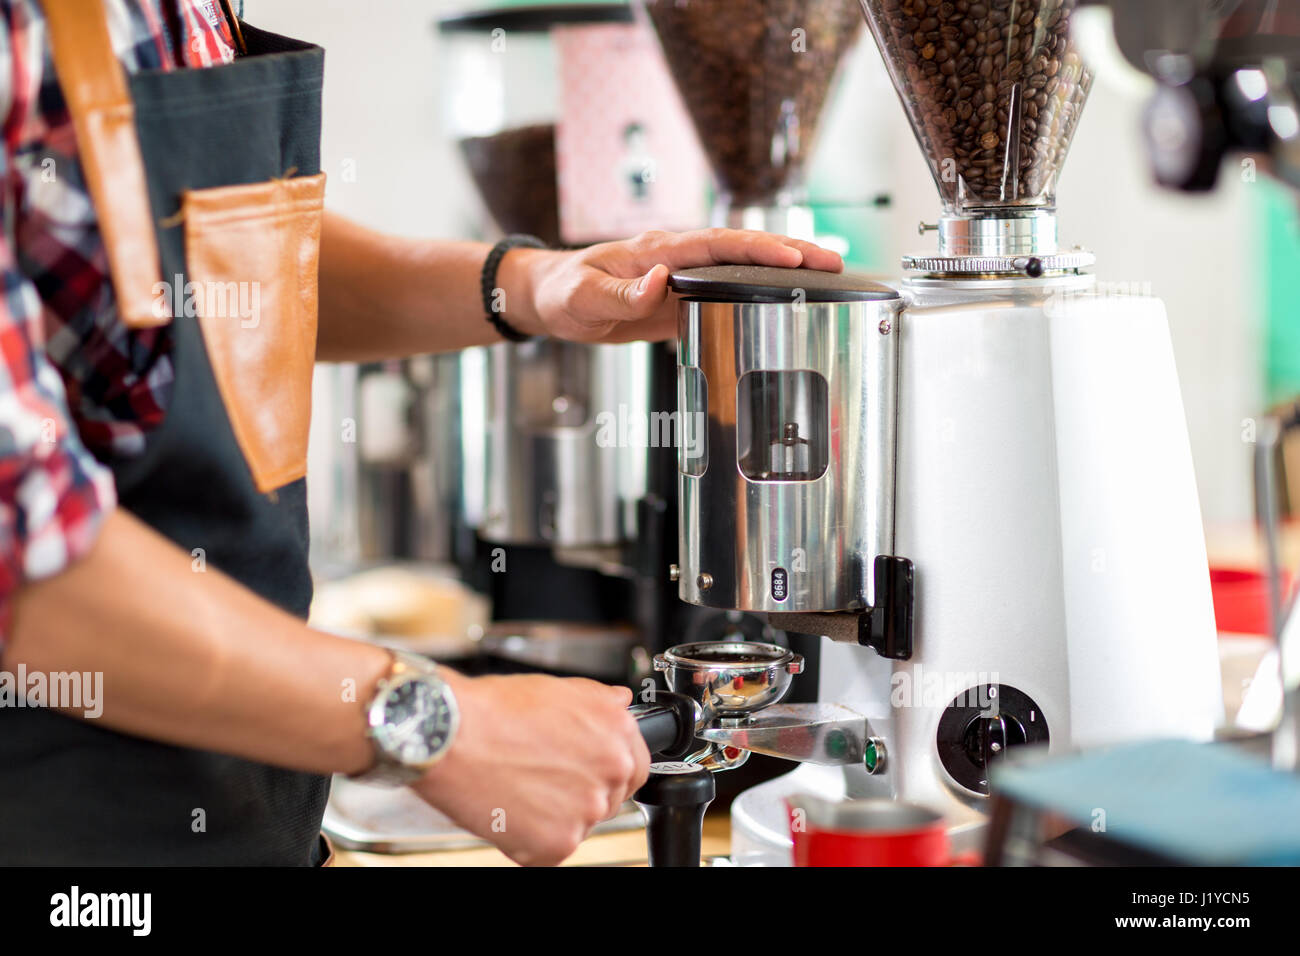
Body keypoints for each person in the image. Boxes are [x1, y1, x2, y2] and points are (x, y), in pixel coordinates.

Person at [0, 0, 842, 866]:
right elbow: (22, 560)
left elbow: (199, 266)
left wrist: (532, 285)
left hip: (250, 815)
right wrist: (442, 726)